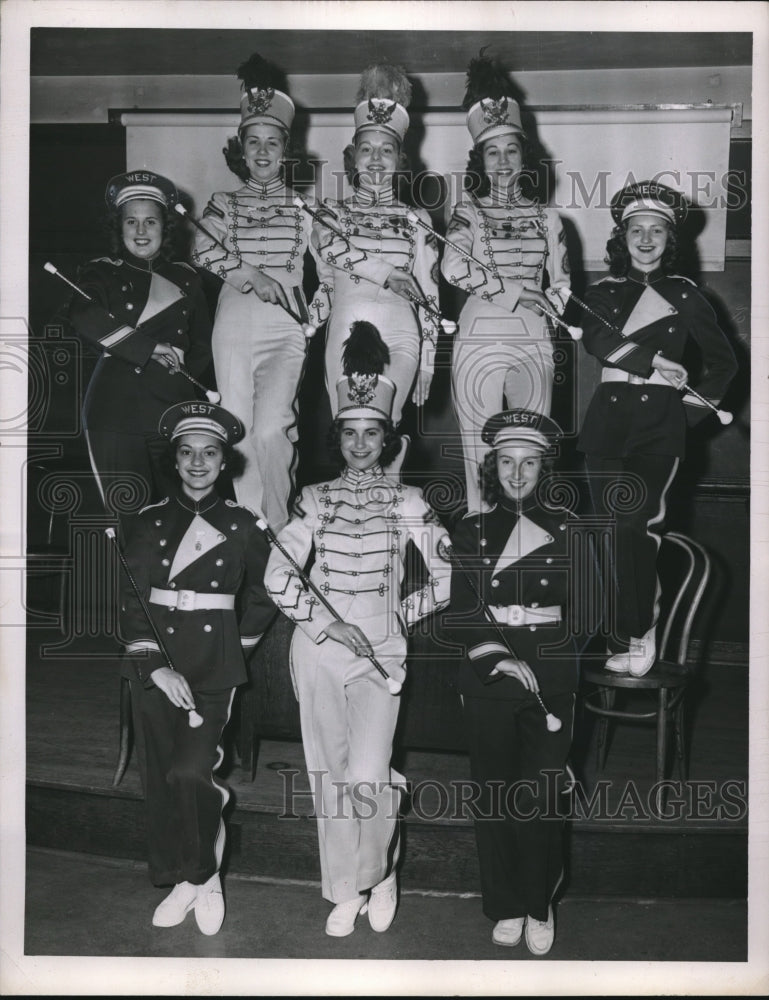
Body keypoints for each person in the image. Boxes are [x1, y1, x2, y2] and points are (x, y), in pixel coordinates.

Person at [263, 321, 452, 938]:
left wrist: (402, 613)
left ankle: (380, 873)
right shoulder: (314, 499)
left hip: (380, 645)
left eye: (373, 433)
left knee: (369, 774)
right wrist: (324, 623)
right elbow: (278, 577)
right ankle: (346, 888)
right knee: (330, 772)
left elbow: (448, 578)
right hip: (318, 645)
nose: (361, 443)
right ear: (338, 437)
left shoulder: (410, 502)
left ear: (388, 440)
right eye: (351, 433)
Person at [119, 399, 276, 935]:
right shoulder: (145, 521)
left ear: (225, 461)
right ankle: (183, 875)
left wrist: (238, 645)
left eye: (210, 453)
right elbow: (130, 596)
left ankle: (205, 878)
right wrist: (153, 663)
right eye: (187, 452)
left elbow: (265, 592)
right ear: (176, 459)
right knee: (164, 777)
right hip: (157, 660)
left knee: (191, 772)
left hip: (212, 664)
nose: (198, 463)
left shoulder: (243, 523)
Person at [445, 408, 594, 956]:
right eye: (506, 462)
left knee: (542, 795)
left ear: (543, 469)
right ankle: (505, 904)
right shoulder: (470, 528)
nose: (516, 473)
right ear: (492, 467)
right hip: (487, 674)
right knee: (494, 794)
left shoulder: (572, 528)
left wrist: (555, 661)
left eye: (528, 463)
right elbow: (462, 609)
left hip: (550, 677)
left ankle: (539, 903)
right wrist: (497, 657)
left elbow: (586, 611)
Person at [577, 180, 737, 675]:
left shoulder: (687, 295)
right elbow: (598, 342)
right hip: (606, 422)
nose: (646, 239)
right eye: (636, 230)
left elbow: (723, 364)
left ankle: (638, 631)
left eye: (657, 231)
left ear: (671, 241)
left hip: (658, 428)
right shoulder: (599, 293)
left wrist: (682, 418)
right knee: (606, 532)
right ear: (621, 238)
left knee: (634, 524)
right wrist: (654, 360)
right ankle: (609, 633)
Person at [442, 51, 571, 513]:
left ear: (524, 155)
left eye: (511, 150)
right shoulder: (467, 211)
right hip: (480, 334)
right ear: (480, 158)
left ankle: (527, 546)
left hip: (534, 337)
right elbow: (453, 268)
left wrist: (552, 304)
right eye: (492, 152)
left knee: (530, 445)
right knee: (481, 446)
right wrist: (519, 293)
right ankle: (481, 537)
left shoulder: (548, 217)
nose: (502, 162)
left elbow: (561, 282)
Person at [191, 52, 313, 532]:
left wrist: (313, 318)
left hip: (286, 327)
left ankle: (281, 527)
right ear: (241, 148)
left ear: (287, 148)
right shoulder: (223, 203)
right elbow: (202, 250)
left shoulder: (306, 207)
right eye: (253, 142)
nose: (263, 152)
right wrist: (250, 274)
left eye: (273, 142)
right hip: (234, 324)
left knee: (272, 431)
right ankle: (249, 527)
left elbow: (335, 266)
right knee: (238, 430)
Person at [307, 63, 439, 454]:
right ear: (353, 157)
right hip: (348, 330)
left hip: (403, 335)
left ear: (400, 159)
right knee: (351, 435)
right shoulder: (331, 212)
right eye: (367, 150)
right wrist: (303, 330)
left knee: (388, 435)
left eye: (386, 150)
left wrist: (429, 361)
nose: (376, 160)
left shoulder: (420, 219)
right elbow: (329, 276)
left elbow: (429, 296)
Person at [69, 170, 213, 513]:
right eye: (131, 222)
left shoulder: (187, 277)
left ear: (165, 227)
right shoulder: (101, 272)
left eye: (150, 221)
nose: (141, 230)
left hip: (174, 409)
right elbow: (83, 316)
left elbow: (203, 347)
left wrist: (181, 389)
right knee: (127, 516)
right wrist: (148, 349)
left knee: (181, 514)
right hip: (115, 408)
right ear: (119, 228)